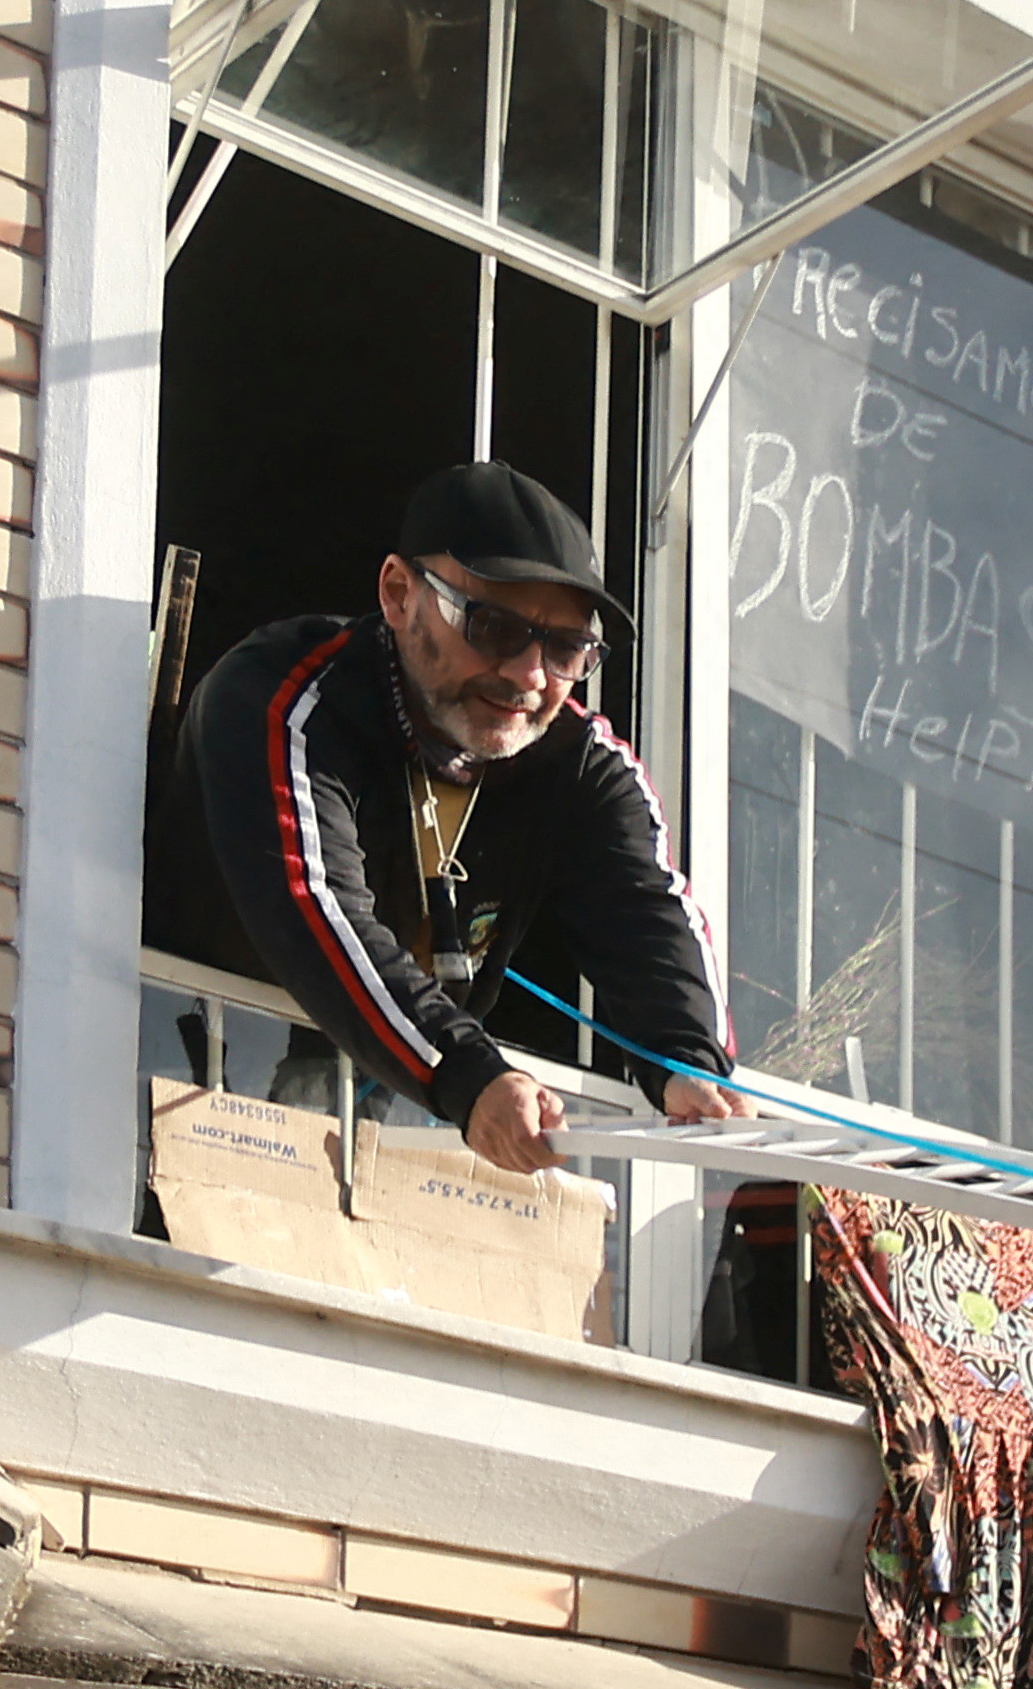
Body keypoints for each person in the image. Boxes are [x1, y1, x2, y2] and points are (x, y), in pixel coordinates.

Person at [176, 456, 736, 1174]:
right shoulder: (286, 698)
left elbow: (647, 917)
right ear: (397, 593)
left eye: (567, 649)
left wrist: (687, 1064)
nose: (529, 676)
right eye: (494, 627)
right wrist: (468, 1075)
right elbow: (316, 910)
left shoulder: (582, 765)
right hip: (177, 1077)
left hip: (384, 1118)